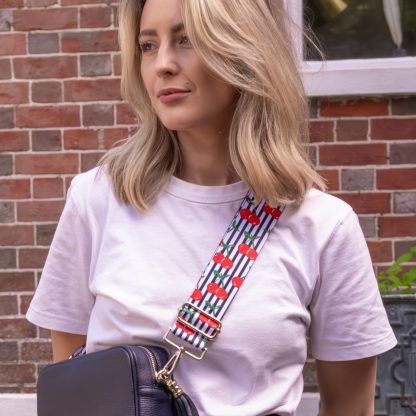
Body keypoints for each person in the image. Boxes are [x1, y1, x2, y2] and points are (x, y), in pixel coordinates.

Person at [26, 0, 397, 415]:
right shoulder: (97, 200)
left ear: (244, 50)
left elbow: (350, 407)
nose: (162, 64)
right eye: (148, 46)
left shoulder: (323, 226)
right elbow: (72, 383)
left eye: (186, 40)